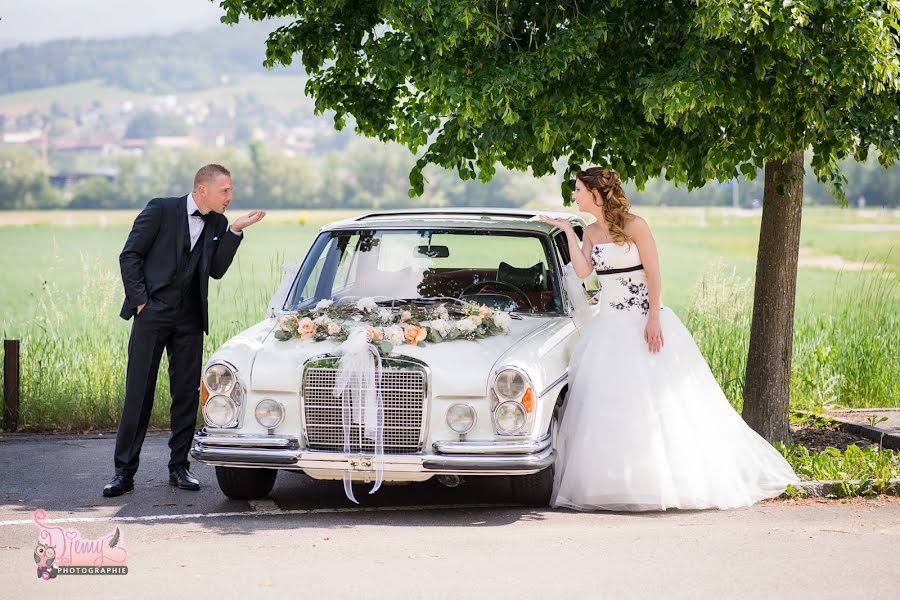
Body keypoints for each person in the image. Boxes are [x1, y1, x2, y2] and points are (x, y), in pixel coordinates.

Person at [540, 167, 798, 511]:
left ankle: (665, 482)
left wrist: (654, 318)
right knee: (611, 407)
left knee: (658, 404)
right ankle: (618, 483)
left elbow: (654, 272)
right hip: (609, 327)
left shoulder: (636, 226)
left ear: (596, 193)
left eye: (578, 190)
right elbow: (585, 272)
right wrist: (567, 234)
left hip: (643, 321)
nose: (574, 196)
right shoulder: (589, 231)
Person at [103, 164, 266, 497]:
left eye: (231, 191)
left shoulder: (219, 223)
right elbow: (130, 254)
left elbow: (217, 270)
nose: (230, 197)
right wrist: (141, 302)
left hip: (190, 319)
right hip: (152, 313)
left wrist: (235, 231)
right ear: (202, 189)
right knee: (139, 392)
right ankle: (124, 473)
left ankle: (179, 467)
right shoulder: (160, 209)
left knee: (186, 394)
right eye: (225, 191)